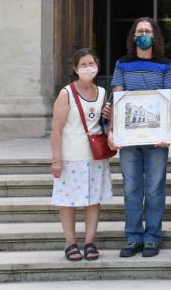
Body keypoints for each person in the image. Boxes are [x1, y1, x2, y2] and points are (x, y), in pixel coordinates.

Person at [107, 17, 171, 258]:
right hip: (128, 139)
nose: (143, 34)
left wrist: (166, 132)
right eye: (140, 31)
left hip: (156, 139)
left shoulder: (166, 64)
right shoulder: (122, 64)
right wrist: (112, 131)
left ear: (155, 35)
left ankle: (152, 237)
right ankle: (133, 237)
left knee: (155, 188)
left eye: (147, 30)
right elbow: (117, 97)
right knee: (131, 188)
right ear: (133, 36)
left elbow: (170, 101)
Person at [50, 48, 112, 262]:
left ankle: (89, 242)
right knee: (68, 202)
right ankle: (70, 243)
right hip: (70, 157)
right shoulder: (66, 93)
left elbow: (104, 124)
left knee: (93, 200)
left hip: (95, 157)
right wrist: (56, 159)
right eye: (83, 65)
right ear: (76, 69)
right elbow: (56, 128)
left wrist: (110, 116)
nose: (88, 68)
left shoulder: (103, 93)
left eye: (91, 64)